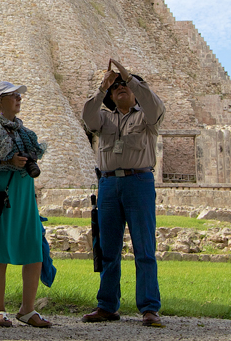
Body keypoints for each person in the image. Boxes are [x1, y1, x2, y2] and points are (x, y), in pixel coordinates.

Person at [81, 58, 165, 327]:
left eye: (124, 85)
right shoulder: (103, 117)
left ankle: (150, 307)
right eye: (115, 86)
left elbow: (153, 104)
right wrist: (100, 89)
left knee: (144, 248)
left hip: (138, 182)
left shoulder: (147, 117)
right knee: (108, 249)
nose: (120, 88)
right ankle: (107, 305)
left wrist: (130, 78)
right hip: (108, 184)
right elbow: (87, 117)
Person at [0, 81, 51, 328]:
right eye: (12, 95)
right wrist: (5, 163)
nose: (18, 98)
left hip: (23, 193)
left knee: (34, 248)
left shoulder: (21, 130)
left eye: (18, 95)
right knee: (0, 252)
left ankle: (27, 309)